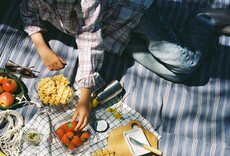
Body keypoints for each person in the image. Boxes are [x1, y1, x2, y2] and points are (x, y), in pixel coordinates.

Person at [20, 0, 230, 131]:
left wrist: (84, 99)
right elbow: (27, 11)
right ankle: (202, 43)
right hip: (113, 37)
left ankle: (207, 19)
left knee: (185, 63)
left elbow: (89, 41)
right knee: (178, 75)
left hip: (133, 13)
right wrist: (41, 46)